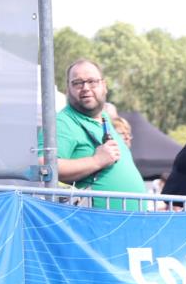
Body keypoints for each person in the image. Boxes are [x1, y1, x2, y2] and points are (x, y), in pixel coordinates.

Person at [56, 59, 146, 210]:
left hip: (128, 223)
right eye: (77, 82)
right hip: (99, 225)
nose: (85, 88)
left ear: (104, 86)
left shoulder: (104, 118)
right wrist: (97, 161)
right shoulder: (63, 122)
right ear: (68, 89)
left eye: (92, 81)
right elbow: (45, 167)